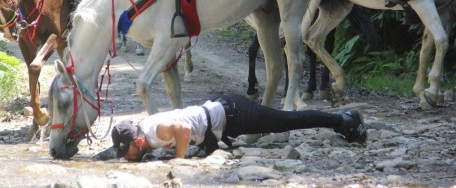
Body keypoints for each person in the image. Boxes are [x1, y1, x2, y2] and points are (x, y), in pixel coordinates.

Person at [112, 93, 367, 162]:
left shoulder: (155, 131)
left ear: (138, 142)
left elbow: (183, 130)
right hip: (225, 114)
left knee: (287, 121)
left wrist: (180, 160)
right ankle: (342, 121)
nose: (127, 159)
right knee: (284, 121)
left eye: (127, 154)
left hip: (234, 113)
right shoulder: (143, 128)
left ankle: (345, 121)